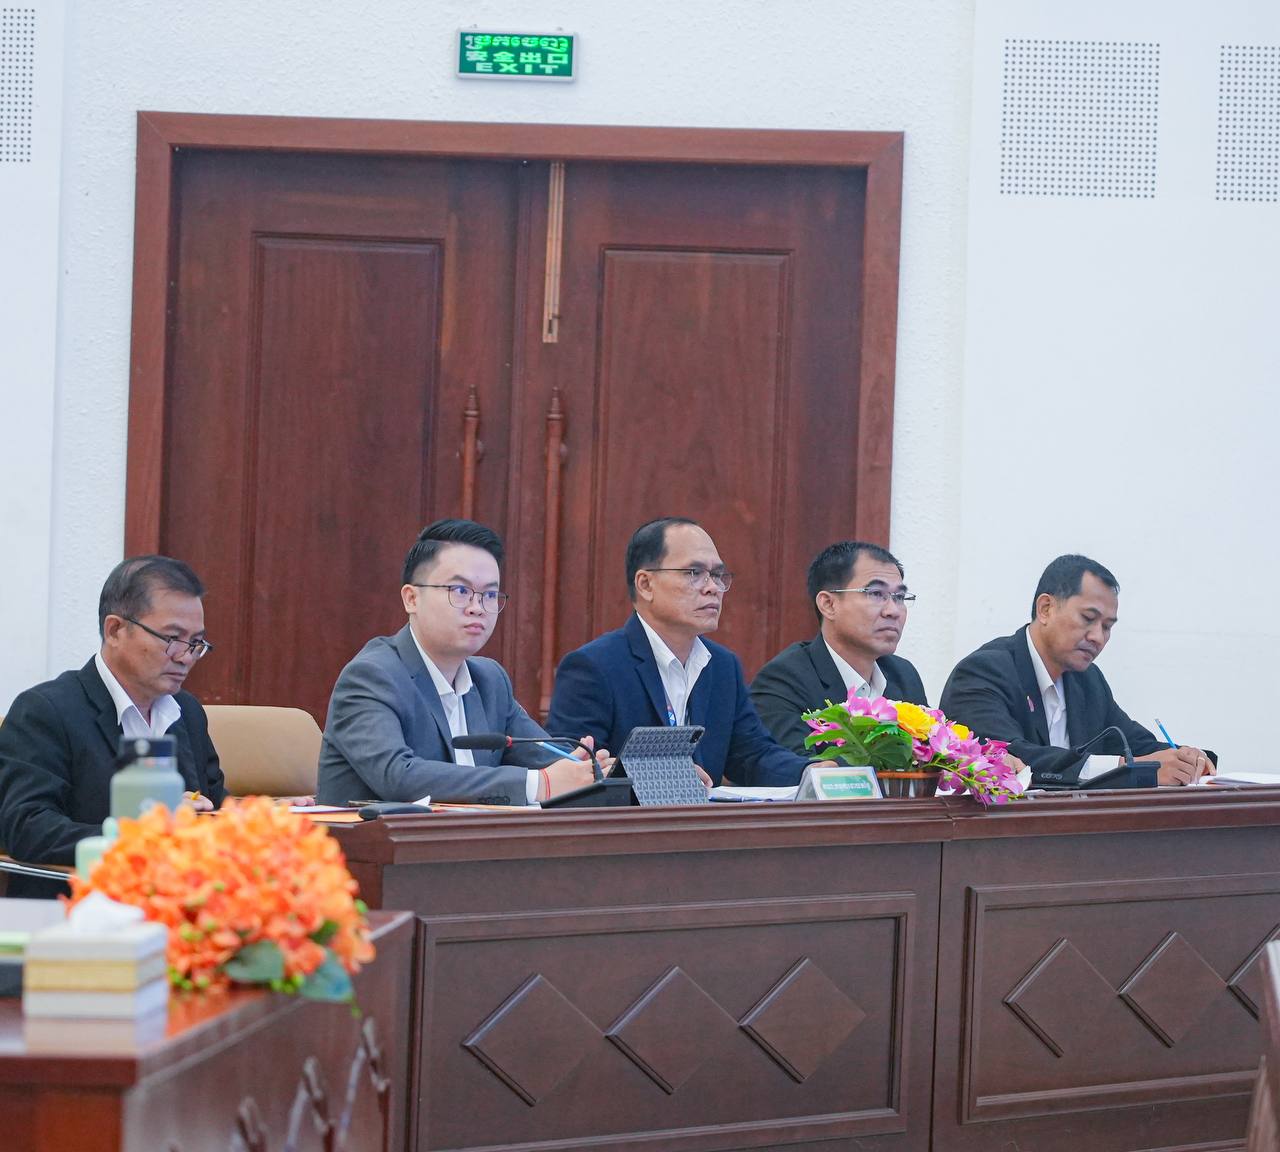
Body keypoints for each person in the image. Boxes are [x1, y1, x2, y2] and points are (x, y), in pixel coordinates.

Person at [318, 519, 605, 807]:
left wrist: (586, 768)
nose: (477, 608)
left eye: (489, 595)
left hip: (473, 835)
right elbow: (399, 776)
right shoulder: (371, 676)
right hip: (374, 836)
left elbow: (548, 758)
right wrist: (538, 784)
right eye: (460, 591)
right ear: (411, 598)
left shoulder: (490, 681)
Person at [0, 556, 225, 894]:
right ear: (115, 630)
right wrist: (134, 835)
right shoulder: (45, 711)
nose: (185, 657)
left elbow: (213, 803)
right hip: (82, 905)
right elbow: (27, 828)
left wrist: (269, 812)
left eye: (196, 643)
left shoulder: (186, 711)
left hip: (179, 903)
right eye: (172, 638)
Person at [546, 517, 816, 787]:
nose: (712, 588)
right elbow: (575, 769)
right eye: (694, 573)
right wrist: (665, 776)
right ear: (645, 584)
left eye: (717, 575)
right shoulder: (595, 666)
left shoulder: (723, 666)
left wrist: (813, 772)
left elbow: (753, 756)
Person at [939, 554, 1213, 788]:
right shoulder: (983, 672)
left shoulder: (1088, 680)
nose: (1098, 637)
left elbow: (1135, 743)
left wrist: (1188, 758)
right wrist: (1126, 768)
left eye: (1107, 627)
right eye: (1088, 619)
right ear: (1045, 609)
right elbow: (1009, 757)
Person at [751, 541, 928, 754]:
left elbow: (927, 760)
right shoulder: (785, 680)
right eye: (875, 593)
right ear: (829, 604)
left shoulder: (903, 676)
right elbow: (801, 765)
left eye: (899, 597)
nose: (893, 611)